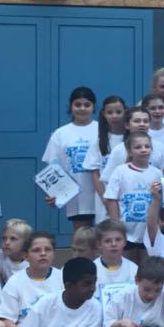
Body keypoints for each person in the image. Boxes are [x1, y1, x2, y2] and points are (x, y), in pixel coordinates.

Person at [0, 231, 63, 327]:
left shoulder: (63, 278)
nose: (43, 254)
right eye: (36, 250)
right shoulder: (15, 281)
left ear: (54, 254)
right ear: (25, 256)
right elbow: (6, 318)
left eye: (48, 250)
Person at [42, 86, 99, 229]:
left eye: (87, 105)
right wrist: (54, 194)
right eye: (77, 104)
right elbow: (53, 169)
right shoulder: (60, 134)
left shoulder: (102, 130)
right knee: (83, 236)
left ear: (93, 107)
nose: (82, 108)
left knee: (106, 236)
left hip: (101, 194)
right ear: (71, 107)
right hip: (76, 197)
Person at [103, 129, 162, 261]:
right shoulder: (120, 171)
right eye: (138, 147)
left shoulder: (157, 173)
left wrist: (158, 225)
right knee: (127, 265)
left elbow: (162, 203)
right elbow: (111, 199)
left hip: (148, 231)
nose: (143, 150)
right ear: (129, 151)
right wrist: (116, 227)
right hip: (126, 231)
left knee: (146, 266)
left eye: (147, 146)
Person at [0, 218, 33, 284]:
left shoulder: (31, 260)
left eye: (13, 239)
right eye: (4, 238)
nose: (7, 242)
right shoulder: (0, 254)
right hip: (6, 289)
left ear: (25, 243)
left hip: (27, 289)